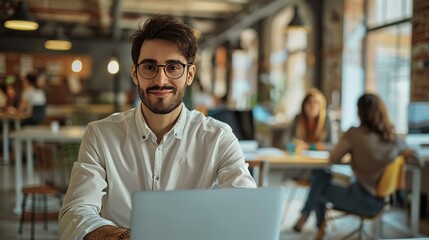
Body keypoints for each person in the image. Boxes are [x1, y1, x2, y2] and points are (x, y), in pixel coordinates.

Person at [58, 15, 257, 240]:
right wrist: (127, 237)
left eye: (173, 67)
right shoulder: (101, 134)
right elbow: (75, 212)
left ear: (189, 74)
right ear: (135, 73)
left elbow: (244, 210)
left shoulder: (218, 137)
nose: (160, 80)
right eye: (150, 66)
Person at [292, 93, 424, 232]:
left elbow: (333, 159)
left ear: (360, 112)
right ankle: (317, 226)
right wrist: (400, 160)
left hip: (360, 199)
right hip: (383, 202)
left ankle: (312, 222)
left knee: (319, 180)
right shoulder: (394, 139)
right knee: (321, 177)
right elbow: (418, 162)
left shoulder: (354, 133)